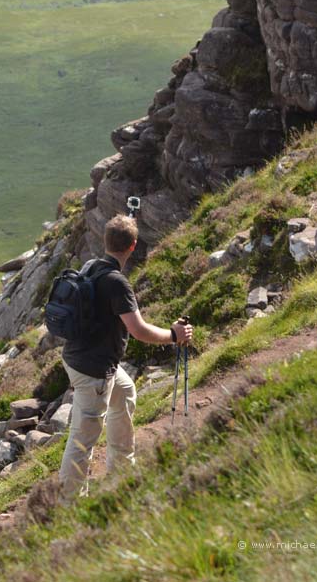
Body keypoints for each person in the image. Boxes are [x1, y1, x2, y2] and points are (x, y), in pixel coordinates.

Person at [58, 214, 193, 501]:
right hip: (93, 371)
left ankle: (121, 473)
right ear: (133, 246)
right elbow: (138, 330)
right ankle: (68, 505)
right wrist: (174, 335)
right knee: (83, 438)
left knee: (125, 391)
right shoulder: (117, 282)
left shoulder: (91, 266)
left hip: (76, 357)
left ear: (105, 241)